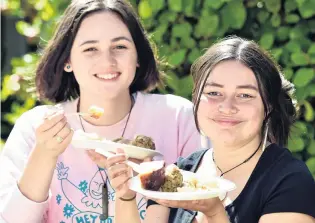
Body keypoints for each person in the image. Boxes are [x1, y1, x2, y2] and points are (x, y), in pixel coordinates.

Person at [0, 1, 204, 222]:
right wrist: (44, 155)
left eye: (120, 47)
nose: (107, 61)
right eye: (90, 49)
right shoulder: (35, 127)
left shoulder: (178, 118)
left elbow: (206, 208)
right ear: (67, 60)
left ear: (137, 56)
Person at [107, 36, 315, 223]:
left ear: (267, 106)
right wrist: (125, 195)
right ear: (196, 98)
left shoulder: (290, 181)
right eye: (214, 92)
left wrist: (215, 214)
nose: (226, 107)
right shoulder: (181, 171)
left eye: (245, 95)